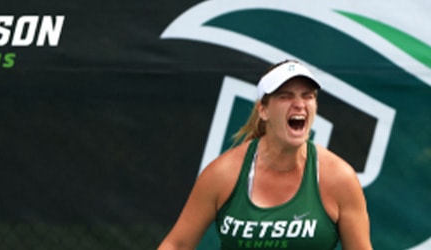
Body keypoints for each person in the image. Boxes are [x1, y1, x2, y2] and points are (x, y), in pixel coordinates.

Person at [158, 60, 372, 249]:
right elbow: (177, 245)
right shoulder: (223, 174)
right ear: (263, 110)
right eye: (285, 96)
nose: (299, 104)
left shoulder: (339, 178)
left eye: (308, 96)